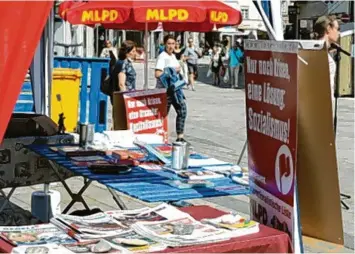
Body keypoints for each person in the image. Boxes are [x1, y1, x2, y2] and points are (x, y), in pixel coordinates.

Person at [155, 35, 187, 142]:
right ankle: (159, 137)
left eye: (173, 44)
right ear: (164, 44)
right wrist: (172, 70)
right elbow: (158, 73)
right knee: (163, 115)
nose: (171, 46)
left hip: (175, 90)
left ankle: (180, 137)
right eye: (169, 43)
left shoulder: (172, 56)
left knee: (182, 110)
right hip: (166, 91)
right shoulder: (162, 56)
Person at [312, 15, 340, 117]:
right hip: (323, 107)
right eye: (337, 29)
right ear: (328, 29)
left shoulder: (313, 49)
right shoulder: (322, 55)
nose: (339, 33)